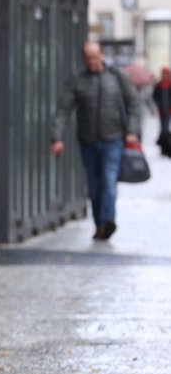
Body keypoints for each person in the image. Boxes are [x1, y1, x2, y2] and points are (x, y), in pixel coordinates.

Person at [52, 41, 140, 240]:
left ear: (102, 55)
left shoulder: (117, 77)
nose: (92, 61)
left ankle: (108, 220)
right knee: (94, 185)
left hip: (114, 140)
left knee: (109, 181)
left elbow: (134, 103)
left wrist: (132, 131)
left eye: (95, 57)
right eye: (88, 58)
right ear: (84, 58)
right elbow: (63, 110)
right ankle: (99, 223)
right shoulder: (78, 80)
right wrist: (57, 137)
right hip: (88, 141)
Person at [154, 66, 171, 156]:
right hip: (161, 110)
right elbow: (155, 96)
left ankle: (166, 146)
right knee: (163, 129)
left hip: (169, 110)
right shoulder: (159, 85)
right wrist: (158, 104)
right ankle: (164, 147)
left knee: (166, 128)